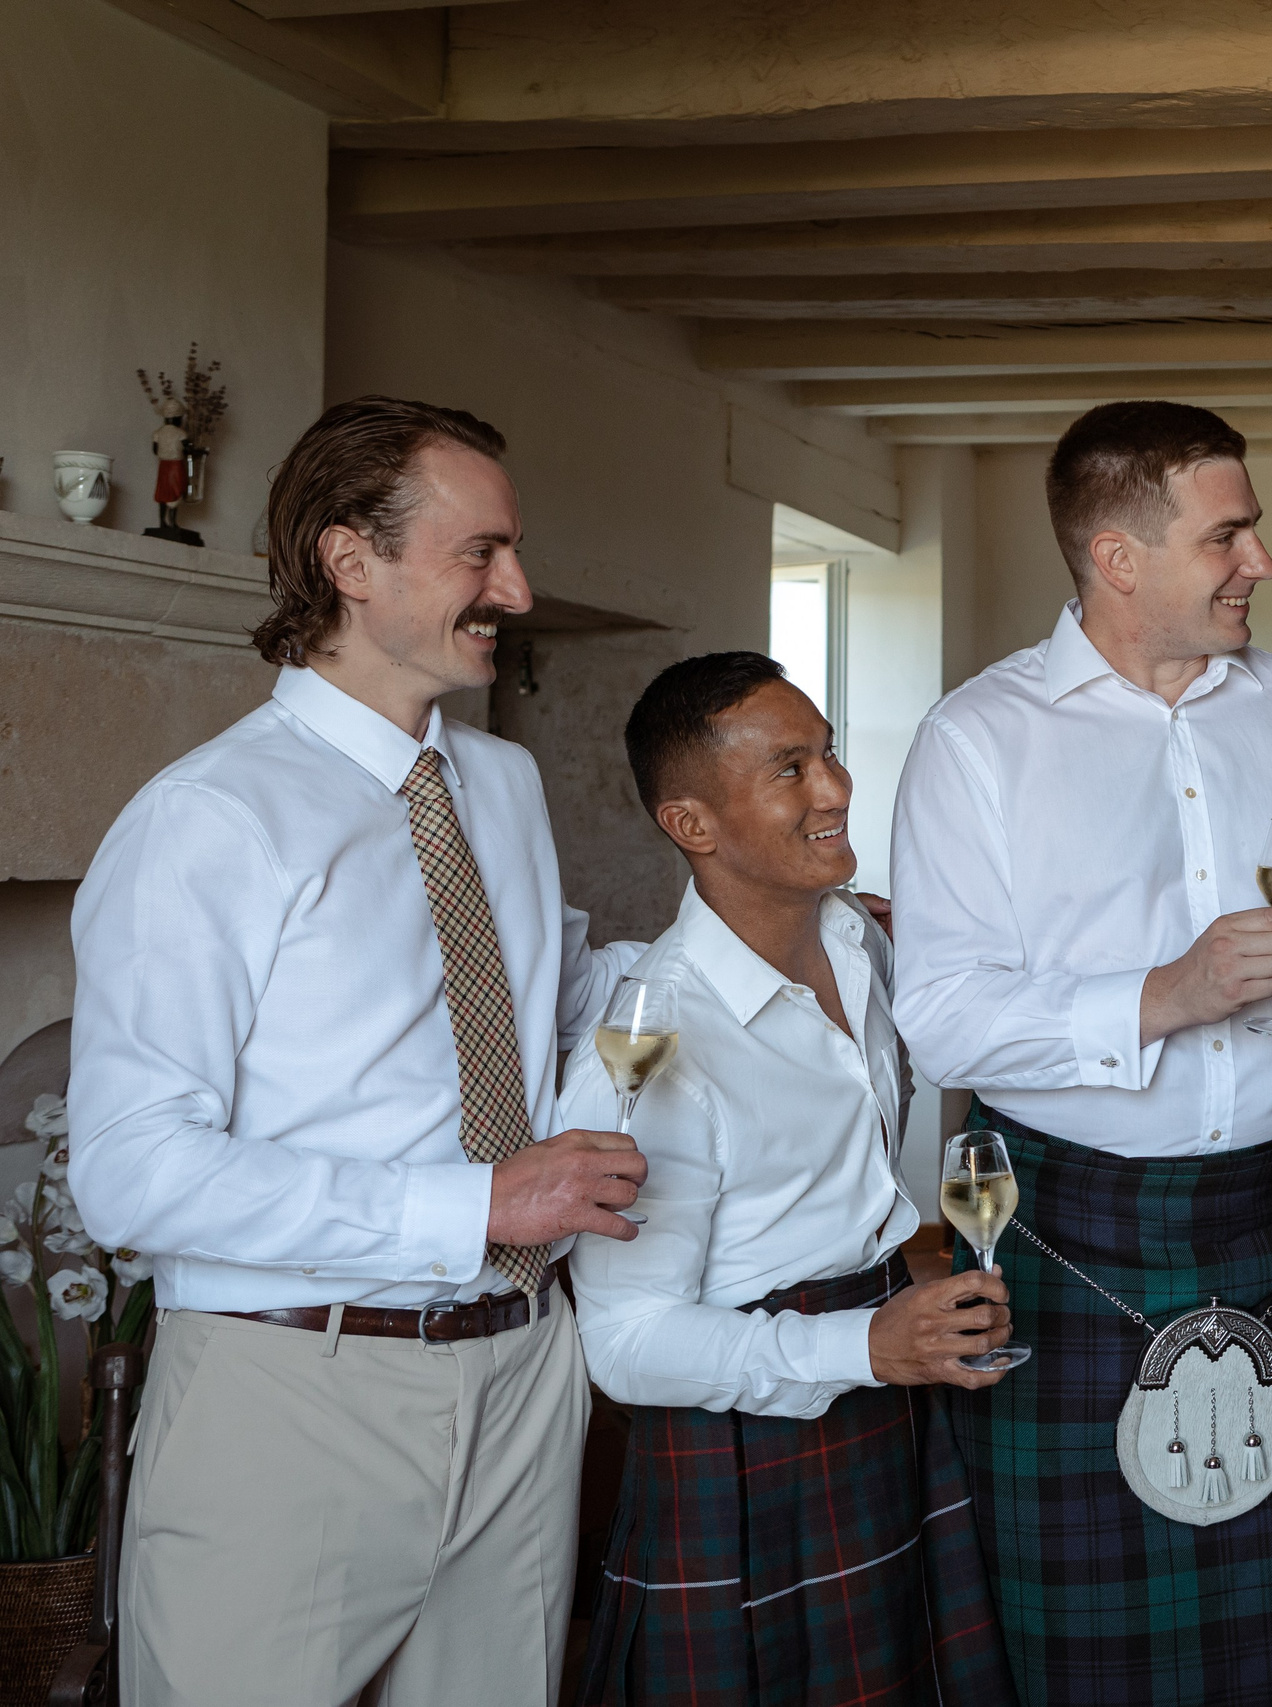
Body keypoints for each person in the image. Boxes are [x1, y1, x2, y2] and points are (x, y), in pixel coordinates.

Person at [67, 396, 649, 1705]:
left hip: (521, 1375)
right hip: (290, 1395)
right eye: (481, 553)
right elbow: (127, 1168)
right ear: (349, 560)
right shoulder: (205, 821)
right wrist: (480, 1203)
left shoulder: (496, 783)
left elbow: (538, 1009)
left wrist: (774, 938)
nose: (519, 585)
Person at [891, 400, 1272, 1707]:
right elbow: (941, 1015)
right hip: (1070, 1229)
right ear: (1118, 557)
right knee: (1082, 1652)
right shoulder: (977, 741)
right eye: (1227, 534)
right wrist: (1160, 995)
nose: (1260, 561)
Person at [564, 652, 1015, 1707]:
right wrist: (862, 1344)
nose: (836, 789)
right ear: (693, 825)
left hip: (884, 1387)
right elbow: (624, 1345)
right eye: (790, 769)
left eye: (830, 754)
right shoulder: (650, 1043)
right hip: (748, 1438)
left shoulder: (858, 939)